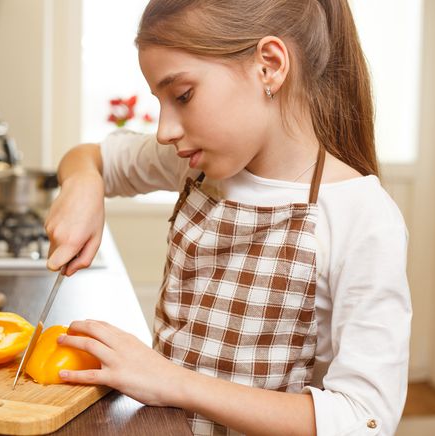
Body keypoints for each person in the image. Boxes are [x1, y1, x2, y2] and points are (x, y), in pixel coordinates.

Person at [44, 0, 412, 435]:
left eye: (182, 95)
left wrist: (171, 382)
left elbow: (362, 421)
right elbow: (92, 158)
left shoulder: (361, 217)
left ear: (269, 66)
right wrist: (82, 185)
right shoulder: (193, 164)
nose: (165, 130)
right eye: (161, 101)